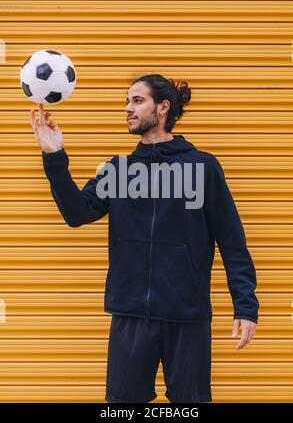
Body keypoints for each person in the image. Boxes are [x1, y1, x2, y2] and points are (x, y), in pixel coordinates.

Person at [30, 74, 259, 403]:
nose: (128, 108)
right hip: (131, 314)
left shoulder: (202, 167)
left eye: (137, 100)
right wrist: (54, 156)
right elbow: (76, 213)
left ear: (163, 108)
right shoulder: (117, 171)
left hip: (187, 315)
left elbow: (232, 240)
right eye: (126, 101)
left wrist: (245, 306)